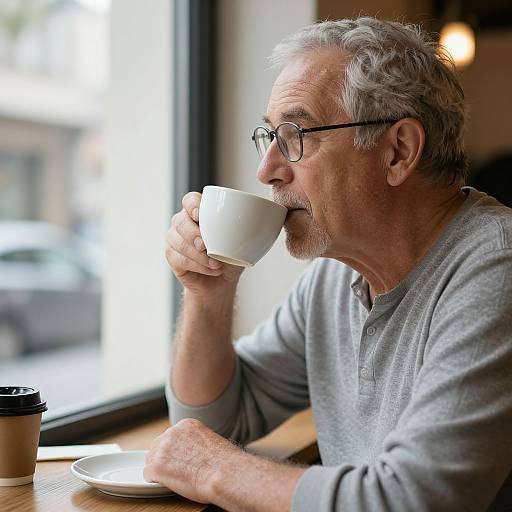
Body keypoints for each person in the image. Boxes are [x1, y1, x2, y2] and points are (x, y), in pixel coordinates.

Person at [143, 17, 512, 511]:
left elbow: (415, 501)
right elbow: (210, 421)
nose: (267, 169)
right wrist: (208, 292)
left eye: (296, 134)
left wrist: (214, 469)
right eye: (268, 135)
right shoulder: (335, 278)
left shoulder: (497, 268)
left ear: (398, 151)